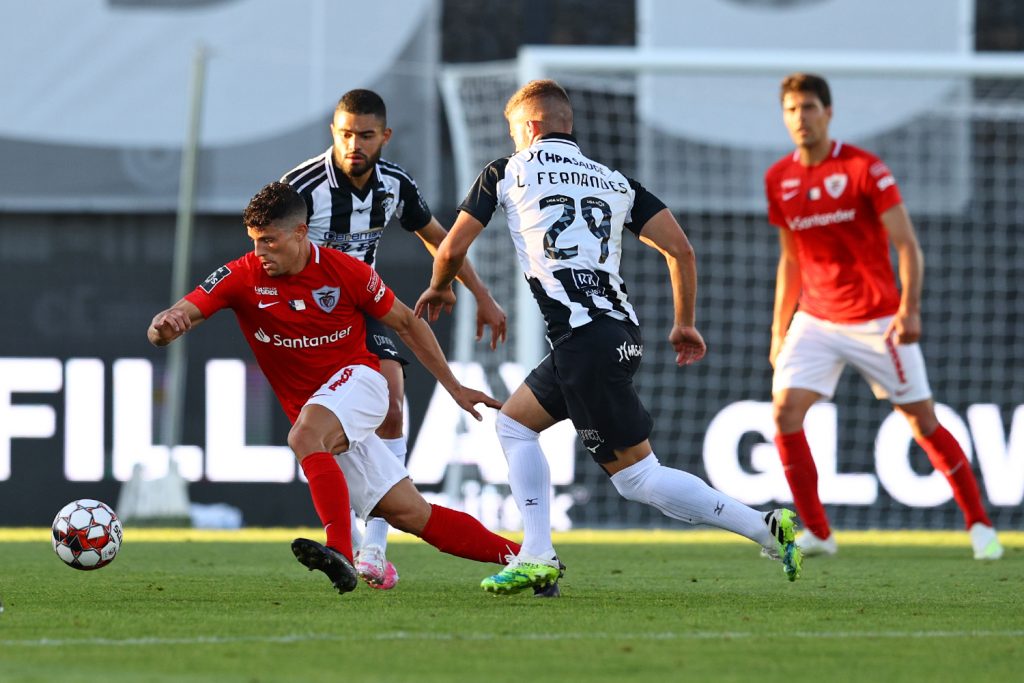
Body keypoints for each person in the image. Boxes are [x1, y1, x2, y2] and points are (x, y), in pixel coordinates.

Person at [416, 79, 803, 594]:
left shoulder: (507, 171)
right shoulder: (613, 181)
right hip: (617, 333)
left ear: (529, 128)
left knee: (638, 478)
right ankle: (538, 552)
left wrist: (442, 288)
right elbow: (682, 250)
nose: (513, 143)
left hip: (582, 340)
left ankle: (760, 526)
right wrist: (684, 322)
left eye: (515, 132)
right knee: (513, 426)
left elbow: (450, 248)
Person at [148, 181, 540, 597]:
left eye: (269, 241)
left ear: (300, 233)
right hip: (325, 416)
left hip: (363, 384)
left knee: (303, 435)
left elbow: (408, 323)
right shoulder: (241, 276)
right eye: (254, 242)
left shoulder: (346, 271)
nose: (260, 252)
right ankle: (531, 561)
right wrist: (164, 325)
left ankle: (338, 550)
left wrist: (456, 387)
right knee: (412, 513)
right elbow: (175, 319)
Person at [763, 73, 1003, 560]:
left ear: (828, 113)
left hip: (877, 321)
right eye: (791, 110)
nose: (800, 118)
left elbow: (907, 246)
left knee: (922, 422)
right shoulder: (779, 179)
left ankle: (980, 525)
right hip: (816, 318)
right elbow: (790, 258)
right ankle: (819, 533)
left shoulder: (864, 169)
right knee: (785, 413)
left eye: (808, 107)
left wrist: (909, 308)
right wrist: (779, 327)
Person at [280, 89, 507, 590]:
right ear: (333, 133)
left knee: (393, 405)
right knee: (332, 433)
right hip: (308, 326)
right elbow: (266, 253)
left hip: (362, 310)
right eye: (344, 134)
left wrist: (481, 296)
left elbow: (439, 240)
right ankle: (359, 534)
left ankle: (373, 550)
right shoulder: (302, 188)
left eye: (364, 135)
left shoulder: (394, 184)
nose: (353, 144)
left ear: (384, 136)